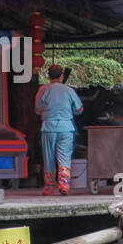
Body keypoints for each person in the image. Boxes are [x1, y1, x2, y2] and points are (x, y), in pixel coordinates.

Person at [34, 64, 83, 195]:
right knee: (64, 156)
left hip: (48, 127)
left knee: (48, 156)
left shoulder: (43, 90)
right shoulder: (69, 90)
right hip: (66, 127)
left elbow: (37, 110)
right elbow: (79, 109)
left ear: (48, 76)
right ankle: (64, 185)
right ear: (62, 76)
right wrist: (71, 111)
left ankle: (49, 187)